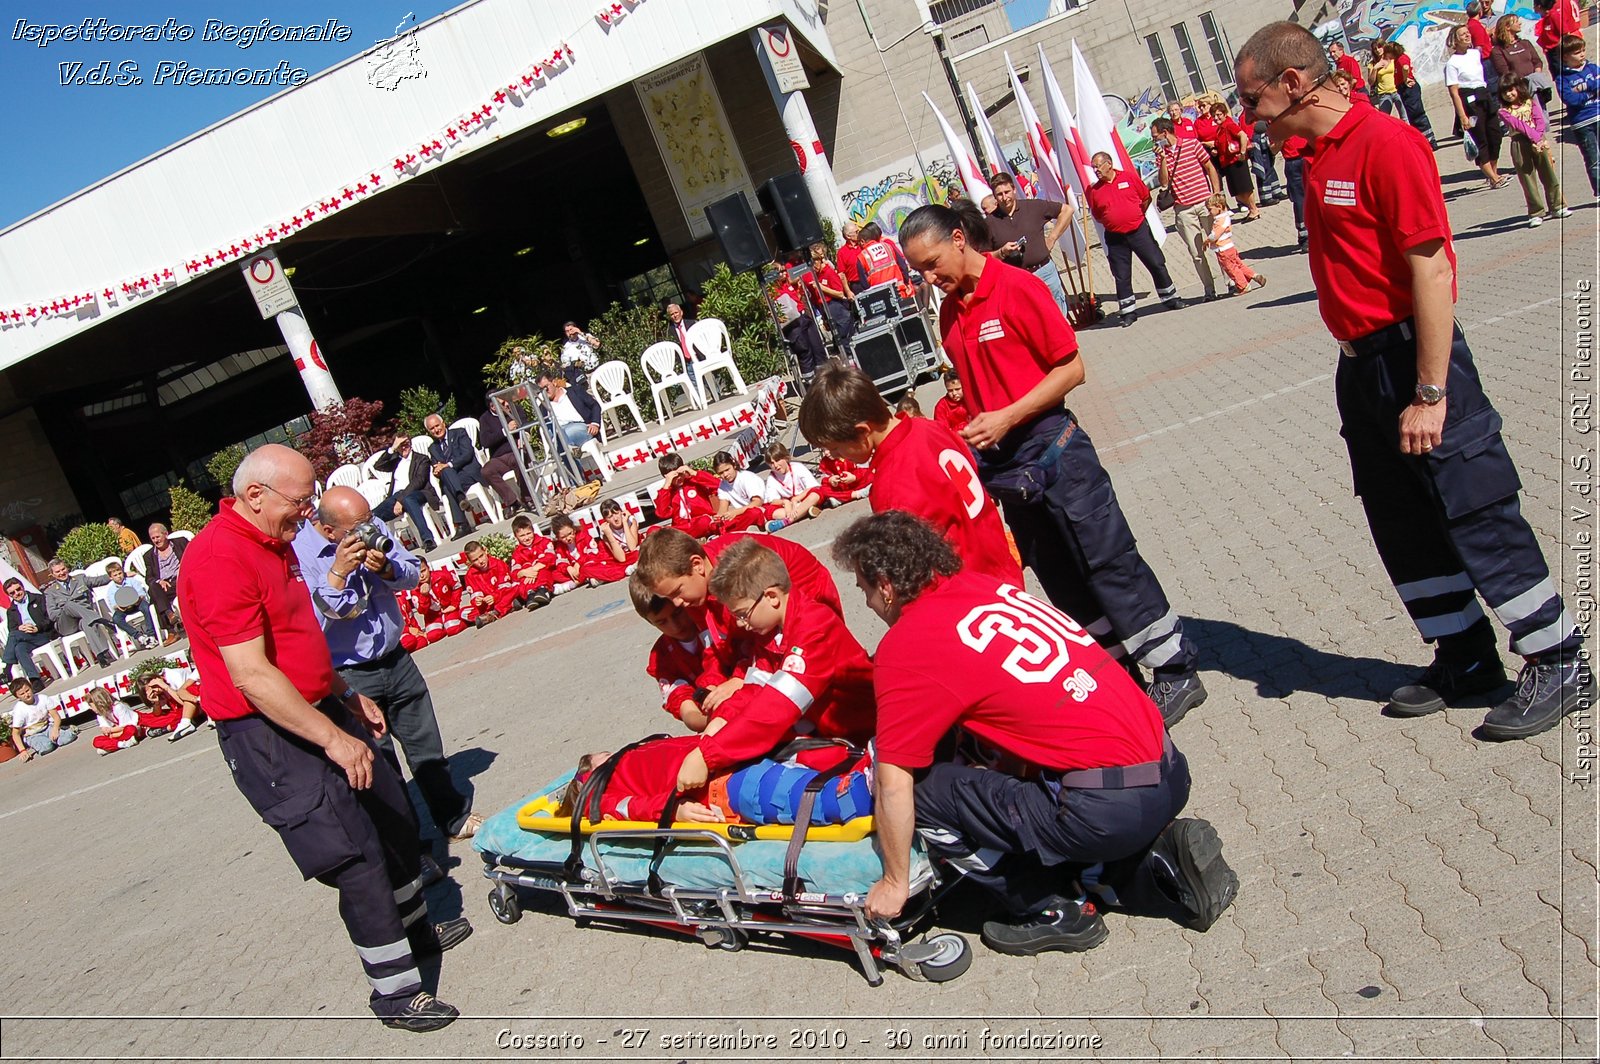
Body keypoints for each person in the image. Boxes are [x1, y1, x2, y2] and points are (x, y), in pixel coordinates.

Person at [1235, 20, 1591, 740]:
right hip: (1362, 368)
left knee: (1473, 507)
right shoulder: (1317, 148)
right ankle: (1464, 658)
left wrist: (1431, 392)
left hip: (1414, 360)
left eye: (1254, 100)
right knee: (1401, 519)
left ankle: (1558, 658)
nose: (1250, 117)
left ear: (1294, 83)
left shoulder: (1387, 146)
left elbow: (1431, 270)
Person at [833, 511, 1236, 954]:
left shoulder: (908, 644)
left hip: (1105, 807)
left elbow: (894, 786)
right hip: (1168, 768)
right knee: (997, 749)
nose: (868, 604)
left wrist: (894, 882)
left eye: (865, 590)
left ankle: (1049, 907)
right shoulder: (986, 588)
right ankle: (1148, 861)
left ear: (886, 586)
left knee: (922, 790)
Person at [178, 444, 469, 1030]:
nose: (306, 513)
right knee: (354, 851)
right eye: (300, 500)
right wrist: (334, 740)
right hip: (271, 734)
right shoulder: (218, 558)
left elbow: (297, 635)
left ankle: (416, 932)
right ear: (255, 495)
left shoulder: (272, 541)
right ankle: (393, 991)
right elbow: (253, 675)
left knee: (390, 817)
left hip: (322, 704)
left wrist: (345, 693)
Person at [899, 203, 1207, 726]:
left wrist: (1007, 416)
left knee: (1108, 561)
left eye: (931, 263)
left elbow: (1072, 369)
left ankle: (1175, 670)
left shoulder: (1018, 288)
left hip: (1056, 450)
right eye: (918, 271)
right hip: (1009, 467)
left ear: (957, 239)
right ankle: (1121, 684)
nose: (928, 278)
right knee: (1060, 580)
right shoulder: (951, 311)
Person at [294, 486, 483, 846]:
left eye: (368, 521)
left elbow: (413, 573)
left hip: (396, 659)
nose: (368, 531)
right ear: (329, 529)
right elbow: (311, 625)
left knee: (426, 748)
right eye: (357, 528)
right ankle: (411, 849)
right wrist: (338, 571)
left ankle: (452, 818)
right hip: (349, 675)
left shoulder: (372, 526)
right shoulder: (302, 554)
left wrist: (388, 569)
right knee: (381, 770)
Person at [674, 536, 876, 794]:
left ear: (771, 596)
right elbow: (752, 688)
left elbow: (777, 707)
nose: (739, 625)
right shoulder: (774, 632)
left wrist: (710, 755)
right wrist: (715, 728)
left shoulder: (815, 628)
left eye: (742, 614)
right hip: (833, 733)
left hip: (866, 733)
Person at [798, 362, 1023, 587]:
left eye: (836, 448)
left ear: (862, 432)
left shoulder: (892, 483)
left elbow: (916, 571)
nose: (837, 456)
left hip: (967, 591)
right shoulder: (930, 428)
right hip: (1000, 566)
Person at [558, 739, 871, 826]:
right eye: (598, 755)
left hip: (730, 754)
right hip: (720, 784)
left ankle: (873, 764)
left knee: (824, 755)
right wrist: (672, 810)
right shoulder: (593, 788)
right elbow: (629, 808)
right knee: (784, 792)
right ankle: (861, 794)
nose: (605, 752)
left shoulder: (630, 757)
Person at [1085, 151, 1184, 326]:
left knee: (1155, 262)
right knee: (1121, 274)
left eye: (1098, 166)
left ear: (1109, 164)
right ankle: (1128, 312)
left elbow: (1145, 198)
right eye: (1093, 167)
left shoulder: (1129, 178)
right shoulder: (1094, 190)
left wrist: (1136, 216)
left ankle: (1170, 298)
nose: (1095, 170)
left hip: (1138, 230)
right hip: (1115, 237)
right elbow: (1098, 214)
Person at [984, 171, 1075, 318]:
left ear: (1014, 189)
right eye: (999, 194)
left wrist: (1052, 238)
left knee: (1058, 319)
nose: (1005, 197)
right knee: (1031, 322)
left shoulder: (1033, 206)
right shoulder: (989, 223)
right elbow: (983, 258)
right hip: (1016, 280)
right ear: (995, 197)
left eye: (1007, 192)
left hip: (1045, 272)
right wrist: (1001, 252)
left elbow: (1067, 210)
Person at [632, 577, 718, 732]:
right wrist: (708, 720)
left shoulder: (713, 623)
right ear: (650, 622)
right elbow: (685, 706)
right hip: (713, 719)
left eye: (677, 613)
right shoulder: (661, 657)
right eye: (662, 622)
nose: (675, 625)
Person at [1154, 116, 1224, 302]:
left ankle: (1232, 280)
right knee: (1196, 253)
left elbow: (1209, 167)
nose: (1154, 140)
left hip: (1204, 203)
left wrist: (1215, 194)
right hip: (1184, 210)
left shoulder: (1192, 144)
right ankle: (1209, 289)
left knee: (1219, 244)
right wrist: (1161, 159)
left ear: (1165, 132)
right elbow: (1163, 182)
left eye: (1155, 136)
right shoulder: (1161, 155)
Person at [1497, 75, 1570, 225]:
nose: (1509, 94)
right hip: (1519, 142)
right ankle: (1536, 212)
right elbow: (1519, 125)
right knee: (1527, 178)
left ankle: (1557, 205)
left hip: (1539, 140)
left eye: (1511, 90)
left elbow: (1539, 120)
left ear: (1518, 87)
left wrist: (1539, 138)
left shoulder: (1531, 102)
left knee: (1549, 173)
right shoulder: (1504, 111)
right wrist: (1535, 138)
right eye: (1505, 92)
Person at [1446, 24, 1509, 189]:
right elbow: (1454, 92)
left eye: (1468, 33)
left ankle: (1493, 173)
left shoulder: (1475, 54)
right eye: (1462, 35)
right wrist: (1462, 116)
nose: (1467, 36)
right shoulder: (1452, 63)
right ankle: (1494, 178)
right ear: (1455, 40)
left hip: (1484, 95)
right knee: (1480, 139)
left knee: (1495, 135)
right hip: (1469, 101)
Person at [373, 433, 442, 552]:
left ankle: (428, 540)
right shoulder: (395, 461)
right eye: (401, 445)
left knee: (408, 499)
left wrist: (400, 500)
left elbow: (418, 481)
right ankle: (383, 549)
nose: (404, 447)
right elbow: (378, 466)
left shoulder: (422, 459)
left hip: (418, 493)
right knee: (373, 516)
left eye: (406, 444)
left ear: (411, 443)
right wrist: (392, 449)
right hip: (395, 498)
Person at [43, 558, 116, 669]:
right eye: (57, 572)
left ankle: (101, 655)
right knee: (68, 605)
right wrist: (68, 611)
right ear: (52, 574)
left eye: (63, 569)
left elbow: (99, 580)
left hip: (84, 618)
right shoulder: (50, 591)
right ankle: (99, 619)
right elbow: (52, 615)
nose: (62, 573)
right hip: (67, 624)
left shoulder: (80, 579)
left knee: (87, 622)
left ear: (67, 568)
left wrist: (120, 575)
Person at [422, 414, 482, 543]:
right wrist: (436, 470)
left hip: (467, 472)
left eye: (437, 425)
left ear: (443, 423)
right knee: (446, 477)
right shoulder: (433, 448)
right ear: (429, 432)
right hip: (452, 479)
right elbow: (435, 465)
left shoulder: (459, 433)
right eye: (432, 428)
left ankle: (462, 525)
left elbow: (467, 454)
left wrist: (447, 465)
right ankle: (461, 498)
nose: (436, 430)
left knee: (446, 484)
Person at [656, 452, 741, 537]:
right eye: (674, 477)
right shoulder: (667, 492)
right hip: (682, 528)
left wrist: (693, 473)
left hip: (701, 522)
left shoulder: (694, 481)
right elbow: (662, 513)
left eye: (680, 474)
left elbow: (718, 485)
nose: (678, 478)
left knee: (704, 521)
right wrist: (666, 485)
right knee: (654, 531)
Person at [1557, 34, 1600, 195]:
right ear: (1566, 56)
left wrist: (1584, 87)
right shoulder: (1562, 78)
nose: (1582, 54)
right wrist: (1591, 92)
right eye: (1577, 52)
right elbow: (1570, 99)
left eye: (1583, 50)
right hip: (1582, 122)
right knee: (1593, 158)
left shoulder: (1593, 68)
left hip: (1598, 114)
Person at [1204, 192, 1269, 295]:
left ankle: (1243, 286)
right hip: (1230, 247)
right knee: (1239, 264)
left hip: (1223, 249)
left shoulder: (1219, 221)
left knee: (1231, 269)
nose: (1209, 212)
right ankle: (1254, 275)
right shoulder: (1226, 217)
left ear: (1219, 207)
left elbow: (1214, 235)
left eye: (1210, 209)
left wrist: (1207, 241)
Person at [133, 522, 186, 641]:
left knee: (156, 596)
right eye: (153, 538)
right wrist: (159, 581)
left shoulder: (180, 542)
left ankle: (171, 630)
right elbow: (149, 577)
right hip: (167, 587)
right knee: (153, 588)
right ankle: (169, 615)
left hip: (184, 580)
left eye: (158, 537)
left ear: (166, 534)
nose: (156, 540)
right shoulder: (149, 556)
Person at [478, 395, 530, 515]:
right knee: (486, 471)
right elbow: (485, 441)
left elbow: (525, 425)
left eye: (506, 400)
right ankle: (512, 502)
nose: (506, 404)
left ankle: (528, 498)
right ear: (493, 407)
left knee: (519, 461)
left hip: (515, 451)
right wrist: (504, 430)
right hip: (498, 457)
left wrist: (524, 437)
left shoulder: (514, 409)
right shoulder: (485, 419)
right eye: (502, 403)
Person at [1208, 101, 1260, 219]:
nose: (1216, 118)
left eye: (1219, 115)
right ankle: (1252, 209)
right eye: (1214, 116)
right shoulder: (1220, 128)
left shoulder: (1229, 125)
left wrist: (1242, 152)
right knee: (1238, 190)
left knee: (1245, 188)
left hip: (1236, 160)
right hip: (1228, 162)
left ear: (1225, 114)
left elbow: (1243, 136)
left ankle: (1254, 209)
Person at [3, 576, 56, 688]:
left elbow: (50, 618)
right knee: (19, 648)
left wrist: (37, 627)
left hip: (43, 634)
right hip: (26, 638)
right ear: (10, 595)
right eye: (12, 593)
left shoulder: (39, 599)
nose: (17, 593)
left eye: (18, 589)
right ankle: (35, 680)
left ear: (22, 587)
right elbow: (12, 629)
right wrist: (20, 628)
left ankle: (7, 669)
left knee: (14, 635)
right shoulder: (11, 610)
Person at [1491, 14, 1554, 107]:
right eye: (1516, 21)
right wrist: (1522, 83)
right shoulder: (1498, 50)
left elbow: (1537, 62)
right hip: (1518, 86)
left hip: (1535, 85)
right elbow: (1504, 73)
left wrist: (1535, 76)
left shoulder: (1525, 43)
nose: (1519, 23)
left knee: (1541, 112)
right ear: (1507, 27)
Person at [7, 676, 76, 760]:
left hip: (47, 727)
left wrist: (55, 728)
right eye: (22, 694)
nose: (26, 694)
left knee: (67, 738)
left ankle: (68, 730)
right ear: (17, 697)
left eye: (27, 690)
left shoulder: (42, 698)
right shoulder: (19, 710)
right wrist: (22, 750)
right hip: (32, 734)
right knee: (47, 747)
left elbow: (56, 717)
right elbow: (15, 733)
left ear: (31, 687)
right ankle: (39, 743)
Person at [712, 450, 783, 532]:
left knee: (754, 513)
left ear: (734, 465)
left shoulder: (746, 477)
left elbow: (757, 502)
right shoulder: (723, 486)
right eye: (721, 473)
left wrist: (736, 512)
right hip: (744, 513)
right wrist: (719, 517)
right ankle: (740, 530)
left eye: (727, 470)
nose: (725, 475)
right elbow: (722, 508)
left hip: (763, 508)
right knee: (716, 524)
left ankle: (733, 532)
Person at [805, 242, 857, 353]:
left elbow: (839, 293)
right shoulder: (817, 274)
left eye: (813, 263)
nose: (812, 267)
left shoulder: (829, 272)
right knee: (838, 340)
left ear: (818, 260)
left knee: (845, 339)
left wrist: (821, 287)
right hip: (826, 308)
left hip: (836, 308)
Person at [462, 540, 532, 623]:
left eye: (481, 556)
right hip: (488, 604)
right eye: (475, 560)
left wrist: (494, 597)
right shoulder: (470, 575)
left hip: (502, 595)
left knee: (516, 588)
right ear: (470, 561)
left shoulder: (498, 564)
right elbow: (475, 594)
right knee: (463, 612)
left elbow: (506, 588)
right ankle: (510, 606)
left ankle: (495, 613)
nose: (480, 561)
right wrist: (478, 600)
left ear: (485, 551)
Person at [534, 367, 603, 451]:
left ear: (554, 382)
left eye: (546, 387)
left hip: (580, 427)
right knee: (558, 439)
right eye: (541, 390)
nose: (545, 391)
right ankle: (571, 452)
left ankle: (568, 449)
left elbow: (594, 405)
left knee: (566, 435)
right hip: (560, 432)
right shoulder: (544, 407)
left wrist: (595, 423)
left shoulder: (574, 391)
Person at [1389, 42, 1438, 146]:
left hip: (1408, 88)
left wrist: (1406, 78)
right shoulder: (1397, 59)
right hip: (1403, 88)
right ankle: (1422, 139)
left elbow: (1405, 67)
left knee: (1417, 114)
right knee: (1412, 115)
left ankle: (1429, 140)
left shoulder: (1402, 58)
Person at [763, 442, 824, 525]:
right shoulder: (772, 478)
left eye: (777, 460)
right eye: (772, 463)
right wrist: (785, 502)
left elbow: (813, 486)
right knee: (769, 511)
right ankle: (805, 511)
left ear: (785, 458)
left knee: (815, 495)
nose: (776, 465)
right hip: (789, 507)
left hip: (803, 498)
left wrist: (796, 499)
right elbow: (772, 500)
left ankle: (788, 520)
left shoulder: (797, 467)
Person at [103, 561, 160, 650]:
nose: (119, 576)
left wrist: (137, 600)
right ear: (110, 577)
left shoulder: (132, 581)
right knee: (116, 618)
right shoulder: (111, 590)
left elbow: (141, 594)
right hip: (124, 609)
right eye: (115, 575)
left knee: (146, 607)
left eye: (120, 573)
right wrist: (120, 606)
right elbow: (114, 604)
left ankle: (151, 635)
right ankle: (139, 636)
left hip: (137, 604)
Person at [141, 671, 206, 742]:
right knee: (156, 716)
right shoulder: (160, 689)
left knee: (179, 713)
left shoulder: (174, 677)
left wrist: (167, 688)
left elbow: (186, 702)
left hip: (196, 702)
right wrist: (156, 703)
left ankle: (167, 728)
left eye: (154, 687)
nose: (155, 690)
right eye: (152, 691)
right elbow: (157, 714)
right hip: (181, 708)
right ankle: (186, 722)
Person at [509, 515, 558, 606]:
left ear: (533, 531)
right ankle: (530, 594)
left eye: (528, 533)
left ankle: (543, 590)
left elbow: (550, 557)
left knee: (543, 569)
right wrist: (524, 572)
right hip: (528, 578)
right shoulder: (517, 553)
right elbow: (515, 573)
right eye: (522, 535)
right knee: (524, 571)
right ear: (516, 536)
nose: (526, 538)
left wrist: (534, 569)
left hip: (545, 573)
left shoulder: (544, 541)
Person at [1280, 133, 1311, 252]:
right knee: (1305, 198)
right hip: (1306, 158)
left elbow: (1275, 147)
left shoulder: (1280, 123)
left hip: (1295, 161)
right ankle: (1309, 236)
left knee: (1299, 200)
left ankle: (1305, 238)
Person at [1537, 0, 1582, 75]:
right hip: (1552, 51)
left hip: (1557, 50)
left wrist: (1565, 49)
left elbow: (1565, 34)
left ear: (1539, 6)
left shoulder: (1554, 15)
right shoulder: (1547, 17)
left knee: (1563, 74)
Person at [597, 499, 641, 569]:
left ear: (621, 511)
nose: (615, 518)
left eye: (617, 513)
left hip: (635, 552)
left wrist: (625, 523)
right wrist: (609, 535)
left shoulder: (630, 520)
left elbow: (632, 547)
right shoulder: (605, 530)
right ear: (605, 519)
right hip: (622, 558)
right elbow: (621, 558)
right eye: (610, 517)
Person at [1248, 120, 1283, 204]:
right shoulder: (1259, 138)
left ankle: (1276, 191)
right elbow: (1262, 148)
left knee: (1272, 173)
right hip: (1262, 160)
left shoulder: (1263, 136)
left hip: (1267, 159)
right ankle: (1265, 198)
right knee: (1264, 177)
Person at [559, 321, 601, 387]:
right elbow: (565, 366)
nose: (570, 332)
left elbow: (597, 344)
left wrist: (580, 333)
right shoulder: (566, 348)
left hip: (598, 369)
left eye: (571, 329)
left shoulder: (585, 337)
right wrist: (575, 364)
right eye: (567, 331)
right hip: (586, 376)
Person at [1368, 43, 1402, 114]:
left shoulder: (1392, 59)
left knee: (1405, 117)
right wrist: (1375, 69)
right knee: (1385, 118)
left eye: (1379, 47)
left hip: (1397, 91)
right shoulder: (1372, 64)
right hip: (1384, 94)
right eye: (1375, 49)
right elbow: (1371, 82)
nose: (1377, 50)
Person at [933, 370, 971, 434]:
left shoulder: (971, 399)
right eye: (950, 390)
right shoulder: (941, 407)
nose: (954, 393)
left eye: (957, 389)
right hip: (957, 439)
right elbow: (943, 431)